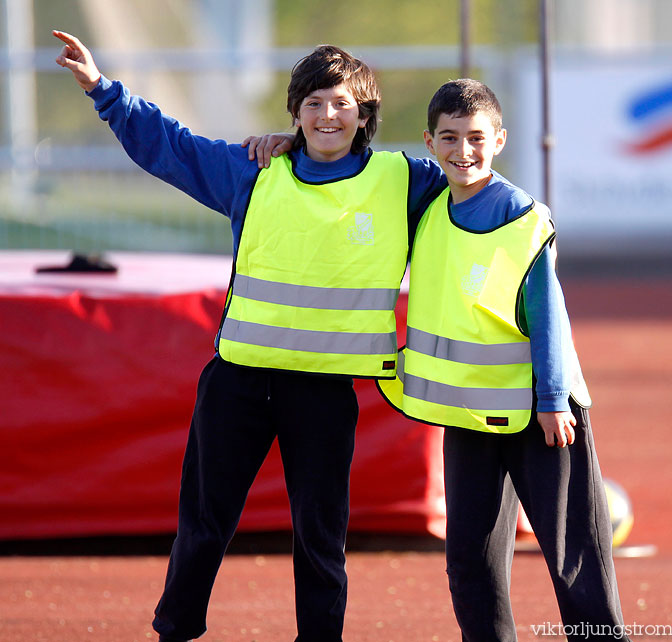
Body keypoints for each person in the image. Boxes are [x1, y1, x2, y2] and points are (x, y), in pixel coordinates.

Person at [53, 30, 445, 642]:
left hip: (324, 392)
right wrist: (103, 91)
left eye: (341, 102)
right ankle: (175, 630)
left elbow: (471, 178)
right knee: (204, 523)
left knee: (321, 535)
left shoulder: (405, 181)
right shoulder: (253, 171)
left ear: (364, 114)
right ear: (294, 114)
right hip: (238, 382)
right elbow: (170, 147)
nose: (327, 114)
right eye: (312, 103)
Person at [376, 79, 631, 641]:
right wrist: (286, 140)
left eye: (475, 138)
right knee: (470, 562)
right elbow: (357, 163)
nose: (462, 151)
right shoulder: (427, 200)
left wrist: (551, 400)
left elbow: (548, 317)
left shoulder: (521, 215)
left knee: (575, 563)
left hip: (544, 413)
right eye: (449, 138)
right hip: (471, 414)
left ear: (499, 140)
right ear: (429, 140)